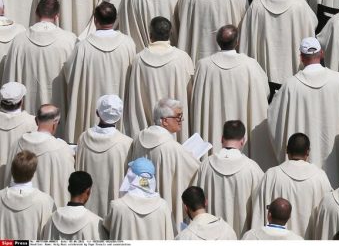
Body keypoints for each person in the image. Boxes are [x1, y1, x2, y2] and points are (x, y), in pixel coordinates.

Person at [267, 36, 339, 183]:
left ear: (301, 57)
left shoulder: (290, 85)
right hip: (336, 158)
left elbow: (274, 121)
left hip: (299, 167)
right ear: (322, 53)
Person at [191, 25, 270, 164]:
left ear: (217, 41)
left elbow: (196, 101)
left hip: (212, 128)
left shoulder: (203, 66)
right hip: (244, 136)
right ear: (237, 42)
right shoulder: (250, 65)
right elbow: (265, 92)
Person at [61, 2, 136, 142]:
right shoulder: (128, 44)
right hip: (120, 103)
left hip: (90, 107)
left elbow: (70, 73)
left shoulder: (83, 46)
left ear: (95, 20)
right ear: (115, 19)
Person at [240, 0, 318, 87]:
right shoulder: (299, 3)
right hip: (295, 75)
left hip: (265, 78)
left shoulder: (257, 6)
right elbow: (313, 24)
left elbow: (246, 38)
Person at [128, 97, 200, 226]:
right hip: (162, 210)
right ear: (165, 121)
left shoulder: (138, 139)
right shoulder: (172, 148)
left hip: (137, 206)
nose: (181, 120)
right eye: (178, 116)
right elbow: (196, 171)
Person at [123, 18, 194, 139]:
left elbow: (133, 97)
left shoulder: (138, 60)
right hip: (176, 128)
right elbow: (190, 93)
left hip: (147, 132)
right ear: (170, 34)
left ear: (150, 35)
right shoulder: (182, 58)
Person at [1, 0, 75, 113]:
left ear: (36, 13)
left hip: (27, 114)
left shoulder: (19, 41)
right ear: (57, 16)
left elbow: (10, 77)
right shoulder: (70, 41)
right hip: (59, 112)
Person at [251, 132, 332, 238]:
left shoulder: (272, 175)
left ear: (287, 150)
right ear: (308, 152)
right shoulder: (320, 177)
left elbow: (258, 211)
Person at [194, 119, 263, 234]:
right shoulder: (252, 169)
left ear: (221, 139)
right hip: (241, 235)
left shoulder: (206, 165)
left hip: (211, 235)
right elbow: (260, 206)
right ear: (243, 141)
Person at [75, 94, 133, 217]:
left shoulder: (83, 138)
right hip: (114, 212)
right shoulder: (126, 143)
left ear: (97, 113)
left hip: (85, 210)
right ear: (119, 117)